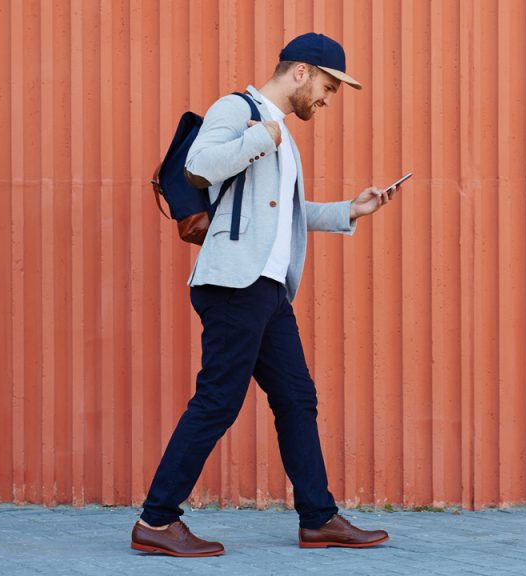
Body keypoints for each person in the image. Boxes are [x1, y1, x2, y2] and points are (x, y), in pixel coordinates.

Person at [131, 32, 396, 557]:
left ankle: (318, 519)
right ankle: (157, 521)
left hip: (268, 290)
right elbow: (200, 165)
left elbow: (284, 217)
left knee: (297, 399)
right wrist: (262, 138)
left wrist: (350, 211)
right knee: (217, 402)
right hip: (233, 285)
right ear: (301, 72)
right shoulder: (238, 110)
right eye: (327, 86)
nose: (327, 99)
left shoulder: (281, 135)